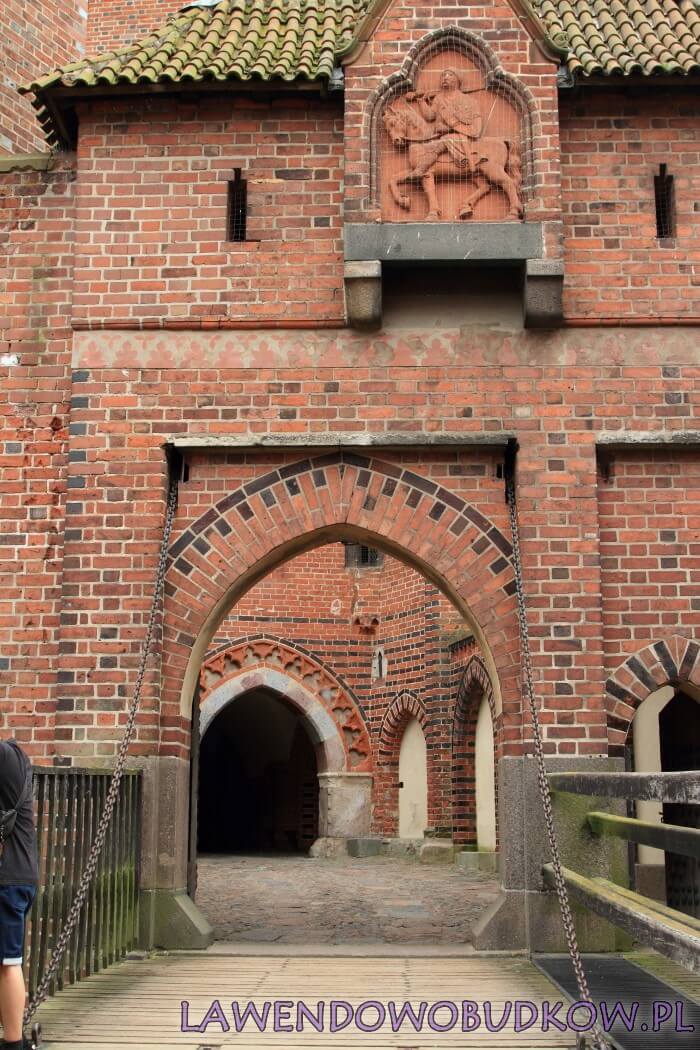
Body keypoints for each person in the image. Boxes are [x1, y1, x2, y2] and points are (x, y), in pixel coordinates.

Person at [0, 740, 38, 1050]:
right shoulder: (13, 757)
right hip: (16, 873)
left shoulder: (5, 756)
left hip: (8, 878)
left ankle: (13, 1043)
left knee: (7, 961)